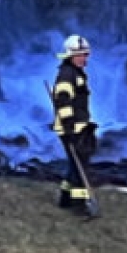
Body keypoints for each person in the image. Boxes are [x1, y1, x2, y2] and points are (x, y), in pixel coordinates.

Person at [51, 34, 96, 215]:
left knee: (74, 164)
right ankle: (79, 204)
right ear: (70, 55)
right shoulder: (67, 74)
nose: (84, 59)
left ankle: (65, 198)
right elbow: (62, 100)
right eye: (80, 55)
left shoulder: (75, 73)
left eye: (86, 55)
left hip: (78, 126)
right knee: (79, 166)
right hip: (71, 128)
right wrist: (69, 126)